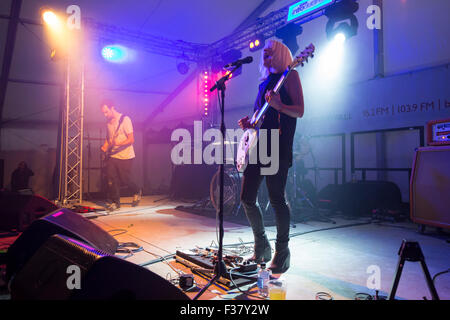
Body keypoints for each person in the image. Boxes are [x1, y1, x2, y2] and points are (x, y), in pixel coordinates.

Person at [238, 40, 304, 274]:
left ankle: (282, 251)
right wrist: (249, 122)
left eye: (269, 52)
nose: (264, 56)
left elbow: (299, 111)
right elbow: (258, 117)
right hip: (259, 146)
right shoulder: (263, 83)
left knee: (276, 198)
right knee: (246, 197)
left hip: (279, 145)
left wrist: (279, 105)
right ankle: (261, 245)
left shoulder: (291, 76)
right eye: (263, 53)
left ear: (281, 54)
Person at [100, 99, 141, 211]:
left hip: (126, 155)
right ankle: (115, 202)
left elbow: (131, 139)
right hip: (113, 155)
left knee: (125, 180)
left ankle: (136, 190)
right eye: (103, 112)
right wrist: (104, 147)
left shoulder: (125, 120)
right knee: (111, 178)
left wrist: (118, 143)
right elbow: (109, 139)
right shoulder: (108, 123)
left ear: (112, 108)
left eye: (106, 112)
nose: (105, 115)